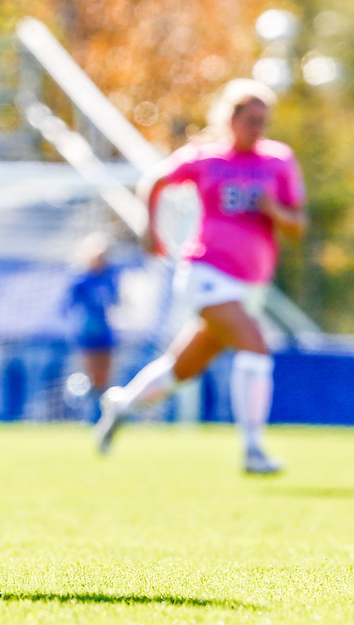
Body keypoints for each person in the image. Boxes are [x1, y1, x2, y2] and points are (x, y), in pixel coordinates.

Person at [93, 79, 306, 474]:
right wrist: (150, 230)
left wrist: (274, 209)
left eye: (264, 120)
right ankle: (253, 450)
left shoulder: (278, 160)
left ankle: (121, 404)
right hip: (206, 273)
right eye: (251, 119)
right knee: (256, 346)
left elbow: (298, 225)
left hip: (249, 285)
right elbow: (155, 179)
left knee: (181, 370)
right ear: (231, 119)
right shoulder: (206, 158)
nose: (258, 127)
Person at [63, 232, 120, 419]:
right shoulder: (80, 280)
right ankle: (85, 412)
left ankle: (102, 414)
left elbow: (114, 301)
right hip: (87, 333)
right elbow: (67, 307)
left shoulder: (109, 277)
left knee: (105, 377)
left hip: (104, 332)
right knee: (91, 374)